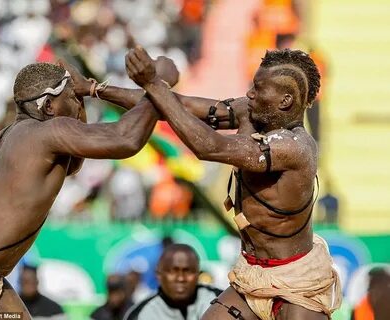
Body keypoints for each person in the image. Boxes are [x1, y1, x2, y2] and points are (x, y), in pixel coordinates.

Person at [0, 57, 179, 315]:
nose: (78, 103)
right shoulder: (47, 134)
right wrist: (159, 83)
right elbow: (127, 139)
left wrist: (82, 95)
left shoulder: (6, 138)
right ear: (48, 106)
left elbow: (75, 165)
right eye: (71, 97)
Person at [122, 47, 342, 320]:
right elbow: (177, 104)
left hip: (297, 284)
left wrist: (153, 82)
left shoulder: (295, 147)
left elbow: (209, 147)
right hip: (252, 275)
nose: (250, 93)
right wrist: (95, 89)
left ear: (285, 101)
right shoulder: (250, 111)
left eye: (258, 88)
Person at [124, 243, 222, 320]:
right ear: (158, 274)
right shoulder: (140, 315)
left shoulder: (221, 301)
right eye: (172, 271)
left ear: (198, 273)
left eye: (187, 271)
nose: (181, 278)